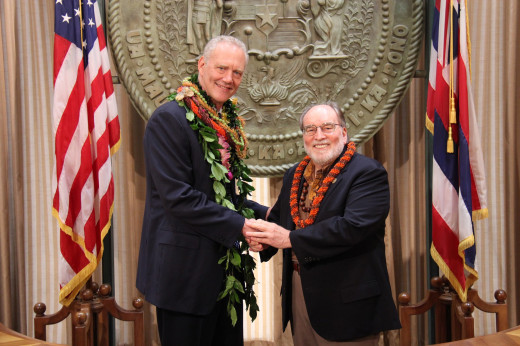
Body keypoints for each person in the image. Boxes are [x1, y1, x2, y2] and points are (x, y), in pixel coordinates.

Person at [136, 35, 268, 346]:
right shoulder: (170, 119)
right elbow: (179, 199)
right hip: (183, 279)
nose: (229, 79)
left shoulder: (225, 121)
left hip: (225, 277)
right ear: (201, 65)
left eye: (237, 73)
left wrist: (267, 215)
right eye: (222, 68)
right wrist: (242, 225)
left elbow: (224, 195)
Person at [245, 103, 401, 345]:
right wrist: (261, 236)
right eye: (310, 129)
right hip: (300, 296)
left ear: (344, 132)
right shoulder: (294, 174)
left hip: (348, 306)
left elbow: (351, 227)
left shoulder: (368, 173)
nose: (319, 136)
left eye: (328, 127)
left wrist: (287, 238)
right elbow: (280, 220)